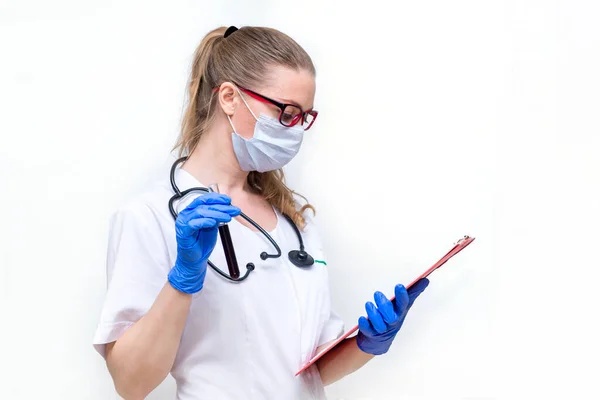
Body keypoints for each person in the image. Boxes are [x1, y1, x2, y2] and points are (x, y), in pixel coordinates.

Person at [92, 25, 429, 400]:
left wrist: (366, 343)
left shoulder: (295, 220)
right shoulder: (148, 217)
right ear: (230, 97)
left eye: (304, 117)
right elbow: (130, 383)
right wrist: (182, 280)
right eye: (285, 113)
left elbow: (306, 372)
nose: (295, 130)